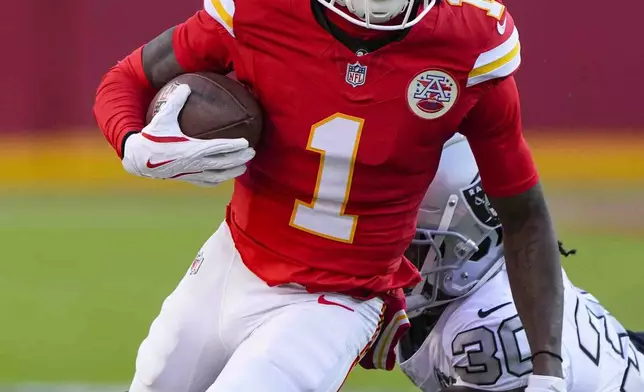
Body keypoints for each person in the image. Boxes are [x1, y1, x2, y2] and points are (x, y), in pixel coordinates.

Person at [93, 0, 566, 391]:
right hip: (230, 261)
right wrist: (132, 144)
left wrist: (549, 371)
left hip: (339, 299)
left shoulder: (469, 42)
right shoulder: (263, 12)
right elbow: (129, 77)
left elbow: (524, 213)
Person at [398, 134, 644, 392]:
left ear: (463, 243)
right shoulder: (519, 272)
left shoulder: (490, 328)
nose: (394, 256)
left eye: (410, 244)